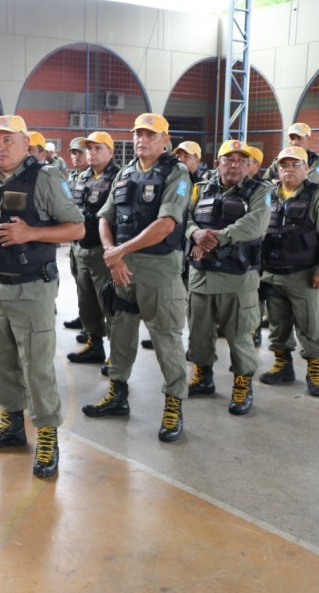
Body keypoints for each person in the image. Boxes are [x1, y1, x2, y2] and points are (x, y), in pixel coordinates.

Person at [0, 114, 84, 478]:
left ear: (25, 144)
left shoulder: (45, 178)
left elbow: (77, 227)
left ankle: (47, 434)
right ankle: (12, 425)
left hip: (32, 287)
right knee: (1, 364)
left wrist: (31, 233)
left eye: (7, 141)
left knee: (37, 368)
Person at [81, 113, 192, 442]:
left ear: (164, 140)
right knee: (120, 330)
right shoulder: (127, 173)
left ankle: (174, 403)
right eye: (137, 133)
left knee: (166, 339)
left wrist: (120, 251)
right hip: (122, 267)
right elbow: (104, 217)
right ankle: (117, 394)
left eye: (149, 134)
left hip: (158, 270)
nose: (141, 139)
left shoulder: (177, 173)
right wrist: (111, 252)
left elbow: (166, 225)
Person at [185, 140, 272, 415]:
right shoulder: (199, 188)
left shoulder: (260, 191)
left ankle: (242, 384)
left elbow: (255, 223)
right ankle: (203, 377)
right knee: (199, 331)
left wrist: (215, 238)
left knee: (239, 335)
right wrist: (194, 234)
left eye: (240, 160)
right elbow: (183, 217)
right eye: (228, 159)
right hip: (201, 275)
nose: (234, 164)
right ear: (217, 163)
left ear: (248, 165)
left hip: (238, 277)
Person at [259, 146, 319, 396]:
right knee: (277, 325)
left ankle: (315, 371)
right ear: (277, 169)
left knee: (311, 326)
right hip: (272, 273)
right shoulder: (268, 195)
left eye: (295, 165)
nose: (289, 170)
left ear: (306, 168)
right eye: (284, 165)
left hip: (305, 274)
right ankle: (283, 366)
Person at [67, 132, 120, 367]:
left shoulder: (118, 177)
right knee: (86, 302)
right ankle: (94, 344)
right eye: (89, 149)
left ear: (110, 151)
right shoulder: (82, 177)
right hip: (81, 249)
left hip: (103, 252)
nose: (91, 153)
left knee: (109, 303)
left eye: (98, 148)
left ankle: (116, 354)